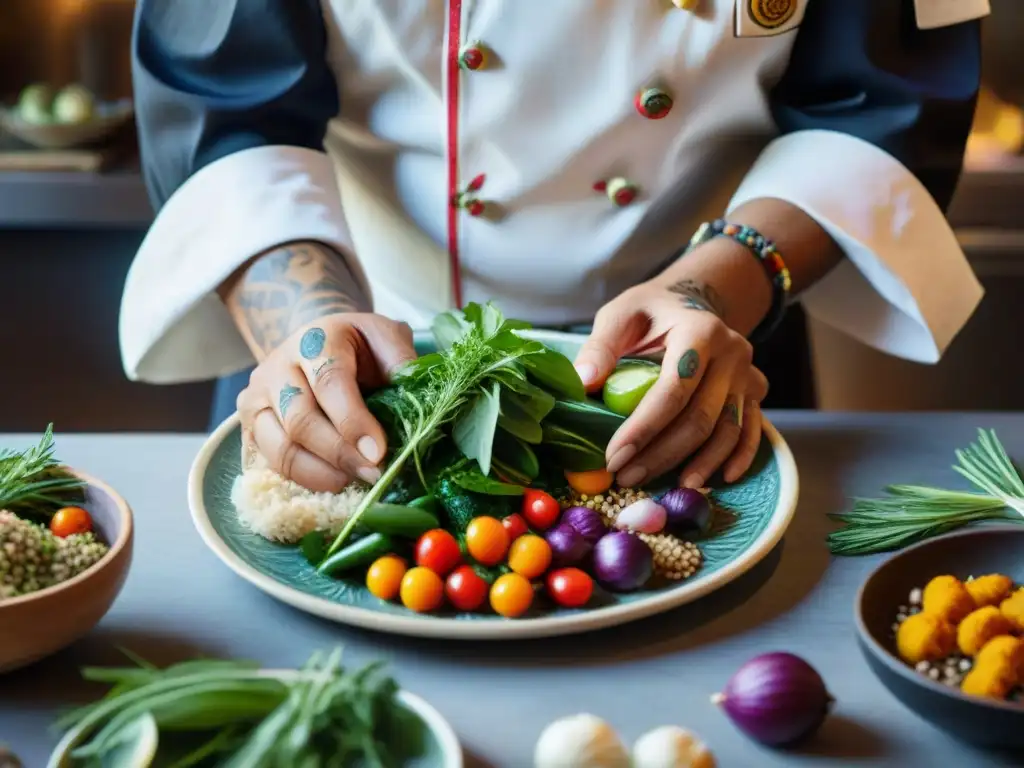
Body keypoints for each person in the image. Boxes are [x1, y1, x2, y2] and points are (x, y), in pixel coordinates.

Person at [119, 0, 988, 494]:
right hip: (365, 366)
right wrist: (308, 332)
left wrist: (712, 291)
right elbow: (222, 103)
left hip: (693, 367)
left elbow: (891, 100)